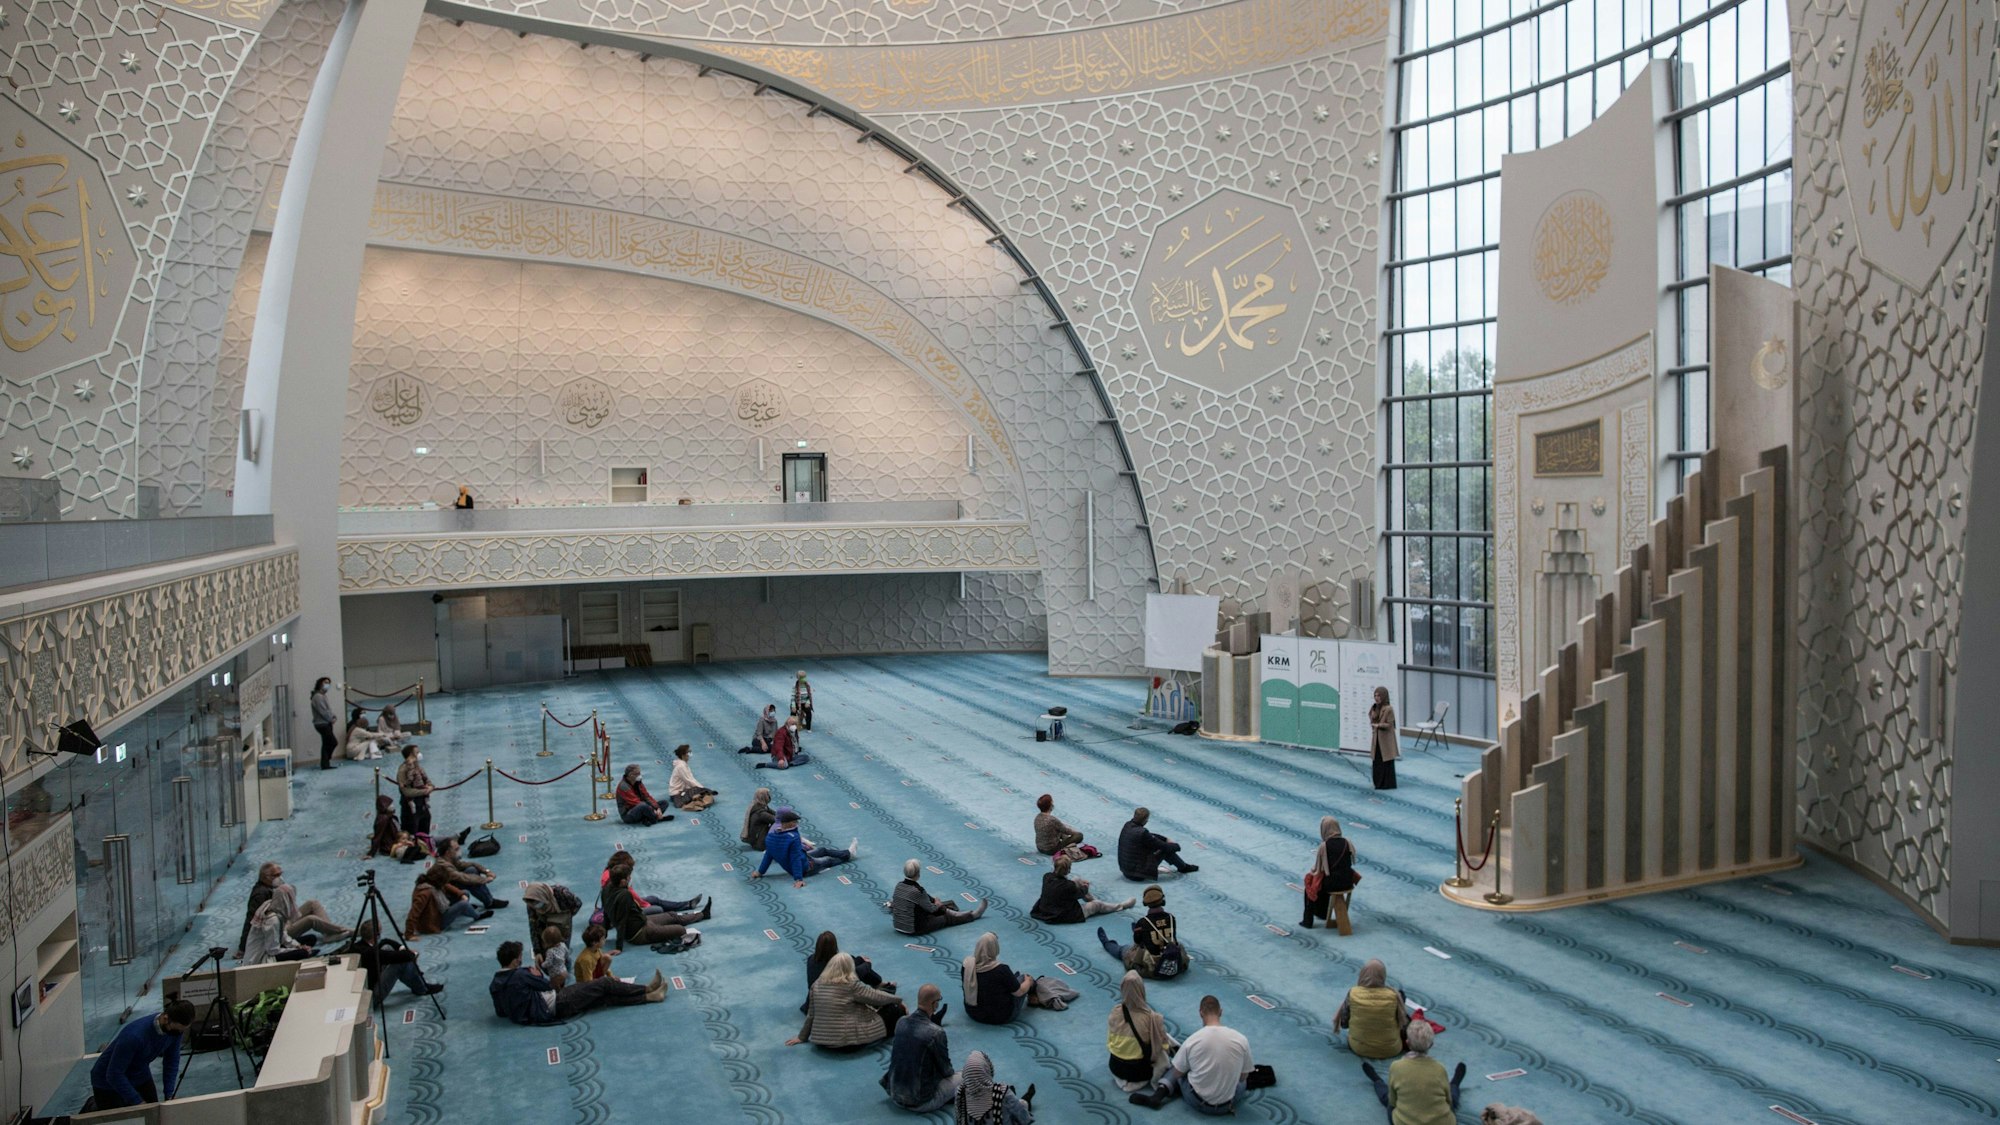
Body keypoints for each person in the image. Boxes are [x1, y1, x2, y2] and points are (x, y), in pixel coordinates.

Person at [1129, 995, 1253, 1114]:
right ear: (1220, 1012)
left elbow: (1177, 1074)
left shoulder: (1193, 1040)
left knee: (1180, 1068)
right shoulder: (1241, 1039)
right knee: (1243, 1081)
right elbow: (1242, 1077)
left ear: (1200, 1013)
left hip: (1197, 1102)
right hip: (1227, 1105)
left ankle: (1159, 1094)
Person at [489, 940, 664, 1024]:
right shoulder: (519, 975)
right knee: (604, 984)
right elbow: (549, 985)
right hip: (555, 1003)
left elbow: (501, 1012)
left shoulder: (495, 983)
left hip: (544, 1011)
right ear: (514, 961)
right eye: (519, 958)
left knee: (603, 998)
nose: (521, 960)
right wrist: (536, 975)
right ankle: (646, 988)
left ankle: (650, 997)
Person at [88, 1001, 193, 1109]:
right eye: (177, 1030)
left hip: (139, 1072)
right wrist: (137, 1102)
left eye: (182, 1030)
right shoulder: (133, 1036)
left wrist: (169, 1095)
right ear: (166, 1019)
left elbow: (171, 1061)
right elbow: (114, 1074)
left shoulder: (175, 1031)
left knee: (153, 1115)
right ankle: (91, 1106)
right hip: (106, 1081)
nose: (179, 1034)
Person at [789, 952, 906, 1048]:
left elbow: (811, 1014)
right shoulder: (851, 985)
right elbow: (877, 997)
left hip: (821, 1041)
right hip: (847, 1042)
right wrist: (898, 1000)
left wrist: (802, 1037)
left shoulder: (817, 985)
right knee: (893, 1011)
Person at [1363, 1020, 1466, 1125]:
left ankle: (1377, 1080)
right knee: (1452, 1098)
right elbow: (1448, 1101)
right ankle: (1455, 1083)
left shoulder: (1396, 1066)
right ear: (1431, 1045)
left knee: (1388, 1099)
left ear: (1407, 1043)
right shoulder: (1439, 1069)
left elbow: (1393, 1101)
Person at [881, 984, 957, 1112]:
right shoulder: (936, 1033)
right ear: (934, 1004)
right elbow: (947, 1071)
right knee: (967, 1076)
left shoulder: (901, 1022)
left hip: (894, 1093)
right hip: (919, 1100)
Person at [602, 863, 707, 947]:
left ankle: (703, 914)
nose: (630, 879)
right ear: (623, 881)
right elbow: (621, 921)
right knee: (680, 929)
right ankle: (697, 916)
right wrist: (619, 946)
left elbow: (606, 913)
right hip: (639, 933)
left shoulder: (606, 890)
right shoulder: (624, 895)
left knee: (671, 915)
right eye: (629, 877)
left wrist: (604, 933)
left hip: (643, 922)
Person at [1107, 970, 1177, 1092]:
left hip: (1115, 1067)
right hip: (1138, 1073)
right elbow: (1162, 1047)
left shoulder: (1115, 1012)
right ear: (1141, 989)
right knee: (1162, 1040)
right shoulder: (1152, 1018)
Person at [751, 807, 856, 887]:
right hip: (806, 867)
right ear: (790, 824)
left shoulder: (771, 836)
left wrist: (760, 872)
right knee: (828, 860)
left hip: (803, 858)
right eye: (795, 822)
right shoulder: (793, 838)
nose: (797, 824)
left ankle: (847, 852)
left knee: (822, 850)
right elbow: (795, 858)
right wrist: (798, 879)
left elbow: (768, 856)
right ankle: (849, 855)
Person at [1097, 886, 1186, 979]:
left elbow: (1137, 942)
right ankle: (1139, 931)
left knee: (1123, 950)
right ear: (1163, 900)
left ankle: (1106, 943)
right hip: (1175, 963)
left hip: (1153, 967)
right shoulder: (1171, 918)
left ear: (1145, 903)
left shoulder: (1143, 922)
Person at [352, 919, 443, 1005]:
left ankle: (418, 983)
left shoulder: (359, 946)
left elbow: (385, 941)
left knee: (388, 948)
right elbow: (406, 956)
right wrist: (412, 954)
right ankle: (422, 988)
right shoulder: (370, 953)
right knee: (401, 962)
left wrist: (402, 948)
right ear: (376, 935)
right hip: (371, 998)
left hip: (368, 981)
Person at [1334, 958, 1411, 1060]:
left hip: (1359, 1048)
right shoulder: (1393, 995)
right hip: (1391, 1049)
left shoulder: (1353, 993)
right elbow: (1403, 1024)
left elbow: (1344, 1024)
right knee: (1401, 995)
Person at [804, 931, 894, 1015]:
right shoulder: (837, 965)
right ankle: (879, 984)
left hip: (814, 1002)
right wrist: (867, 964)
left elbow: (850, 962)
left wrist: (860, 959)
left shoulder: (811, 959)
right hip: (833, 1004)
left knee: (855, 962)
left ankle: (878, 983)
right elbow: (856, 973)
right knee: (858, 973)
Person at [1032, 852, 1134, 924]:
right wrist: (1085, 887)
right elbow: (1080, 894)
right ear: (1068, 870)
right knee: (1096, 905)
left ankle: (1095, 901)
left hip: (1045, 909)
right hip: (1061, 915)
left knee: (1076, 879)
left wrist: (1079, 884)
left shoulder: (1047, 876)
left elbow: (1068, 887)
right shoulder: (1068, 886)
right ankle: (1120, 906)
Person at [893, 859, 987, 935]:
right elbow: (932, 910)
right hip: (914, 928)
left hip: (898, 925)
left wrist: (934, 901)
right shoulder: (918, 891)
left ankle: (949, 909)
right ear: (918, 874)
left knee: (934, 904)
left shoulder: (899, 885)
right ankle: (973, 915)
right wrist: (938, 904)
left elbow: (921, 898)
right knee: (946, 917)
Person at [961, 932, 1036, 1025]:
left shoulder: (967, 965)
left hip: (973, 1012)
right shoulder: (1001, 970)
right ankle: (1034, 996)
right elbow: (1019, 992)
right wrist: (1028, 981)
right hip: (1001, 1017)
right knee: (1025, 979)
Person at [598, 850, 702, 916]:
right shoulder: (616, 879)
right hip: (624, 911)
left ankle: (687, 904)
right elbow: (631, 895)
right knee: (658, 909)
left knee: (653, 899)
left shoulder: (610, 872)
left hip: (625, 904)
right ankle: (674, 915)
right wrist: (645, 905)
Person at [1301, 815, 1360, 932]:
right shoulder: (1347, 842)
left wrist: (1312, 873)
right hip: (1348, 882)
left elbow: (1319, 868)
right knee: (1325, 881)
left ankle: (1308, 921)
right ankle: (1322, 913)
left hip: (1333, 883)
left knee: (1311, 884)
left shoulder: (1324, 846)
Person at [953, 1050, 1035, 1124]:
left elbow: (959, 1118)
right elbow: (1021, 1115)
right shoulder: (1001, 1090)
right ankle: (1026, 1099)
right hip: (1003, 1105)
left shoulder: (960, 1091)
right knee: (1021, 1104)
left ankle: (1012, 1097)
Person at [1117, 808, 1198, 880]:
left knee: (1156, 846)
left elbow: (1151, 836)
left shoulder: (1127, 825)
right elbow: (1163, 846)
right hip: (1137, 874)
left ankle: (1183, 866)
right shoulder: (1142, 833)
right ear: (1146, 820)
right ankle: (1183, 867)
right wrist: (1177, 846)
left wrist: (1164, 838)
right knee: (1164, 850)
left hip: (1126, 871)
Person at [407, 864, 488, 936]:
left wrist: (460, 894)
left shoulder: (430, 882)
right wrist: (409, 934)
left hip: (437, 911)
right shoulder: (425, 893)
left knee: (465, 893)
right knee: (463, 904)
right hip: (435, 922)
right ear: (439, 881)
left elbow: (447, 885)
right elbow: (413, 913)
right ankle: (477, 916)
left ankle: (465, 910)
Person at [434, 838, 509, 909]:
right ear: (448, 852)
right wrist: (485, 879)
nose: (459, 851)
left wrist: (486, 871)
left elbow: (470, 864)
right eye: (456, 849)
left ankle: (488, 900)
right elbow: (463, 878)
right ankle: (489, 902)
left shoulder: (449, 859)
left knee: (471, 870)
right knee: (471, 882)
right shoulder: (443, 865)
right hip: (446, 896)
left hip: (451, 886)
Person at [234, 861, 283, 957]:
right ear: (266, 877)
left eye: (280, 875)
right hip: (276, 929)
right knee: (311, 919)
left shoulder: (269, 888)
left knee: (312, 904)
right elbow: (251, 920)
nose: (280, 878)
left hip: (280, 922)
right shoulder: (260, 894)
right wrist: (243, 948)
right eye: (276, 875)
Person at [241, 898, 312, 964]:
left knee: (310, 938)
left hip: (271, 947)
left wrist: (298, 946)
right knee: (302, 953)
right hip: (262, 958)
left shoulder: (275, 911)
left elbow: (283, 936)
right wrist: (294, 950)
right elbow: (272, 950)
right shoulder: (273, 920)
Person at [1033, 794, 1094, 861]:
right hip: (1051, 850)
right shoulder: (1052, 820)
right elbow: (1068, 831)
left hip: (1039, 847)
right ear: (1050, 806)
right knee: (1079, 835)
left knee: (1058, 831)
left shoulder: (1037, 817)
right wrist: (1073, 830)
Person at [396, 743, 434, 835]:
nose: (419, 754)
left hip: (423, 805)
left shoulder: (418, 767)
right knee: (412, 832)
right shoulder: (403, 770)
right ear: (410, 754)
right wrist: (424, 791)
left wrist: (431, 787)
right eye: (417, 752)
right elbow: (406, 791)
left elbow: (428, 781)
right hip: (411, 807)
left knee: (425, 830)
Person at [667, 744, 717, 811]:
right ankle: (694, 805)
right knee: (699, 791)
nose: (690, 755)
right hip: (677, 795)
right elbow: (690, 781)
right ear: (683, 755)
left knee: (701, 793)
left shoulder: (683, 764)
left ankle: (698, 802)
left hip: (681, 792)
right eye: (688, 753)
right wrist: (703, 789)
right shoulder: (681, 766)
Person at [1370, 686, 1400, 790]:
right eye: (1375, 695)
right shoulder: (1375, 707)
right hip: (1377, 739)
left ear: (1383, 696)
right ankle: (1378, 782)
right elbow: (1372, 719)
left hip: (1386, 740)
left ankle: (1387, 783)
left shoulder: (1389, 709)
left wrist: (1379, 725)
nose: (1376, 697)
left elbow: (1389, 725)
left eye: (1378, 695)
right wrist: (1373, 712)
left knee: (1386, 761)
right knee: (1377, 761)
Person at [311, 676, 338, 770]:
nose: (327, 685)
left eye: (328, 683)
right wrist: (331, 719)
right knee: (333, 742)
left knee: (326, 744)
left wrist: (333, 716)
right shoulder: (318, 697)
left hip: (325, 723)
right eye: (325, 682)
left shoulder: (323, 696)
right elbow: (323, 711)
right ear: (320, 683)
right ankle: (326, 761)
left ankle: (325, 764)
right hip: (322, 724)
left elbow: (328, 710)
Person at [540, 925, 573, 989]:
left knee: (555, 989)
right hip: (564, 971)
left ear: (547, 942)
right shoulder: (563, 945)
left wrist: (542, 964)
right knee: (563, 986)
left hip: (556, 975)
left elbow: (549, 963)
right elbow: (567, 954)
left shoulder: (550, 951)